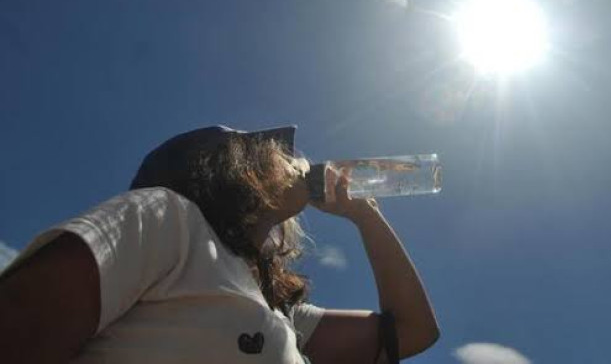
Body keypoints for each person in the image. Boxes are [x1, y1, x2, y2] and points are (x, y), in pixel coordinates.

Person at [0, 125, 440, 363]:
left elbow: (413, 333)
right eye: (258, 142)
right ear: (221, 170)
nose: (287, 137)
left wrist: (369, 217)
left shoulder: (283, 316)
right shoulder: (166, 217)